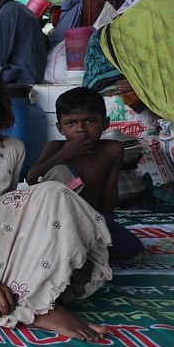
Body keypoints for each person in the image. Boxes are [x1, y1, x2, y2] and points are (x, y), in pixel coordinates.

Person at [0, 81, 112, 341]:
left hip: (1, 223)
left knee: (53, 193)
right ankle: (41, 310)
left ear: (5, 119)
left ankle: (42, 297)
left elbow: (10, 199)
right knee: (53, 191)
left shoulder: (13, 148)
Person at [27, 87, 144, 264]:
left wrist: (107, 227)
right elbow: (31, 178)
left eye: (90, 121)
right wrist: (65, 154)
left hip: (91, 221)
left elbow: (109, 191)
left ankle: (81, 252)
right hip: (55, 222)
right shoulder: (55, 148)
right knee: (60, 171)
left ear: (105, 123)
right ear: (60, 127)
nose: (81, 129)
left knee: (134, 252)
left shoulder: (111, 150)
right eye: (71, 123)